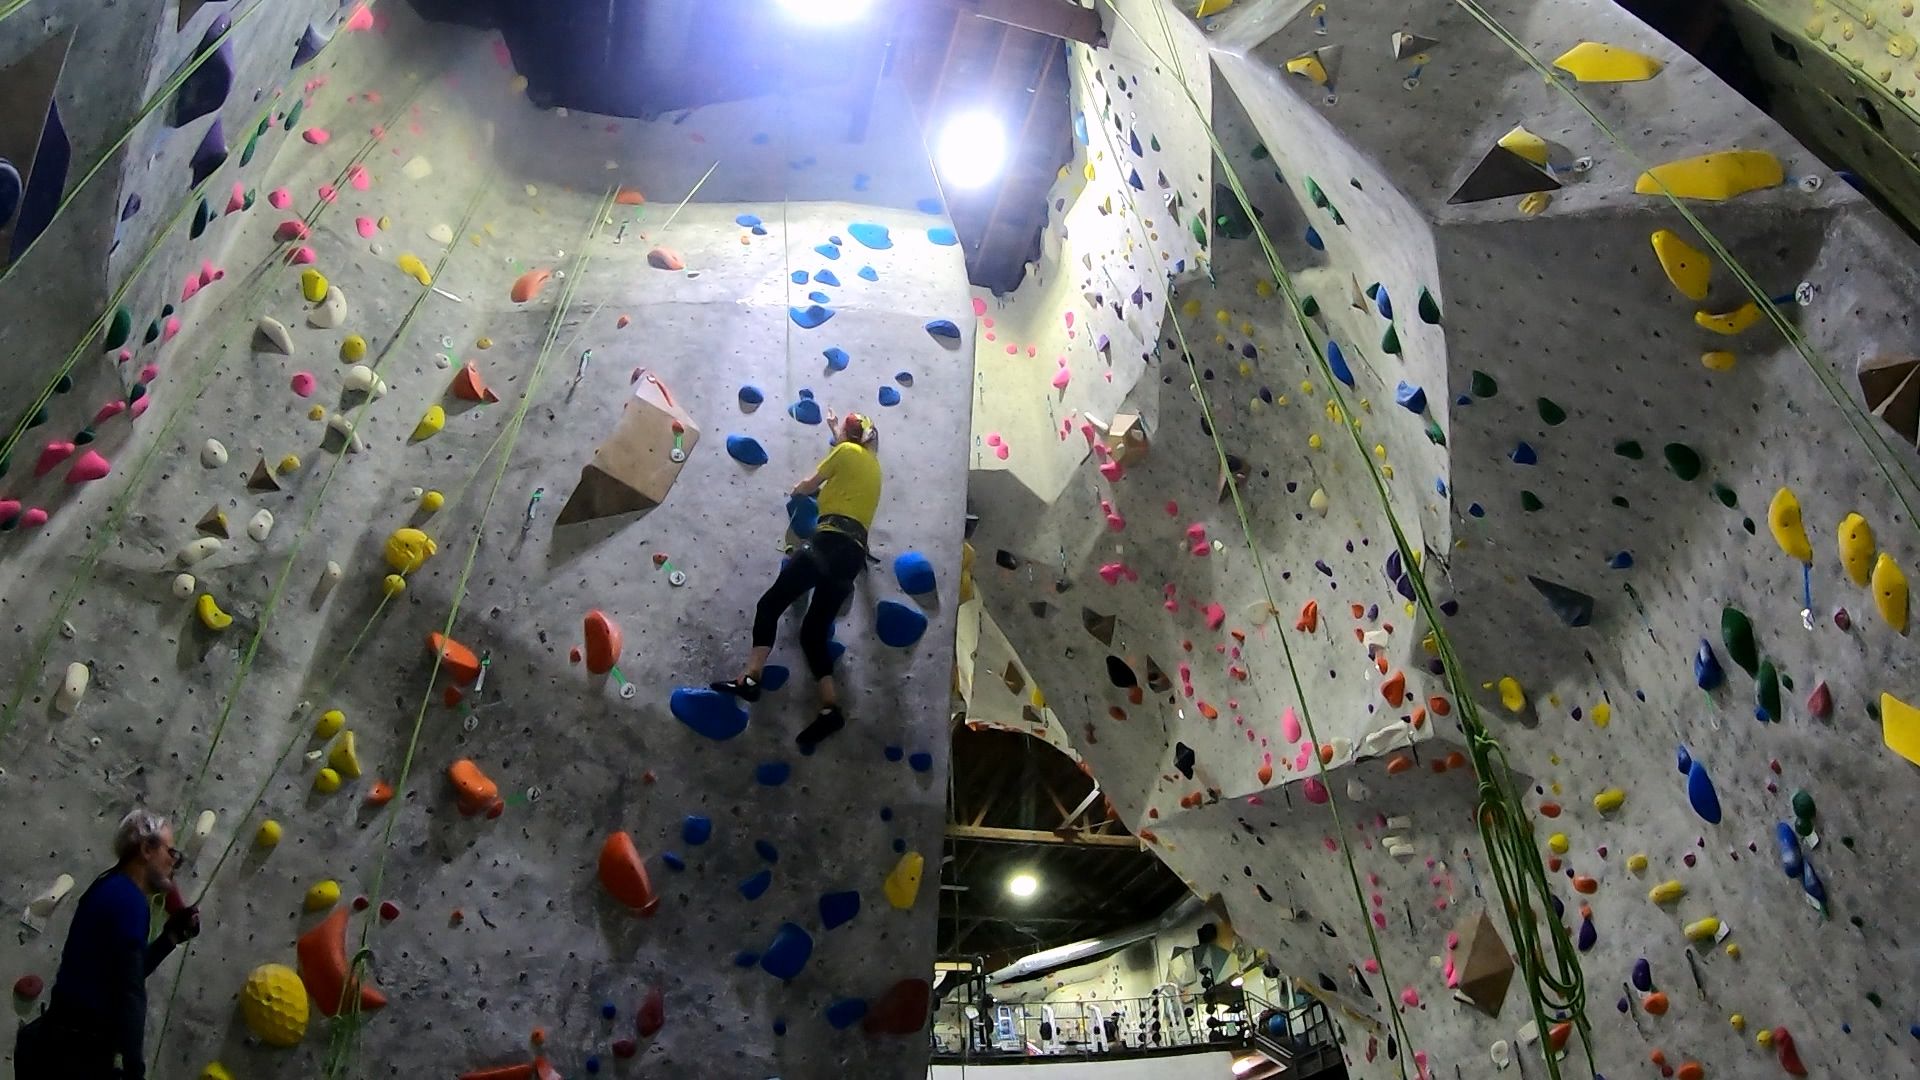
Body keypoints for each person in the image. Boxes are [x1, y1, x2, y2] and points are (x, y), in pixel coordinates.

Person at [713, 407, 881, 752]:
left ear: (848, 439)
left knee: (770, 603)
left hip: (828, 541)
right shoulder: (872, 467)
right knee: (812, 633)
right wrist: (835, 429)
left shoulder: (845, 452)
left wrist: (798, 490)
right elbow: (846, 456)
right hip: (852, 555)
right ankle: (830, 707)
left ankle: (751, 677)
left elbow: (808, 485)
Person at [15, 809, 201, 1080]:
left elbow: (120, 977)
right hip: (72, 1055)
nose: (173, 864)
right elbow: (131, 992)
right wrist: (134, 1067)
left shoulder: (111, 887)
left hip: (57, 1047)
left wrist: (169, 939)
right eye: (170, 853)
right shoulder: (128, 900)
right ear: (147, 848)